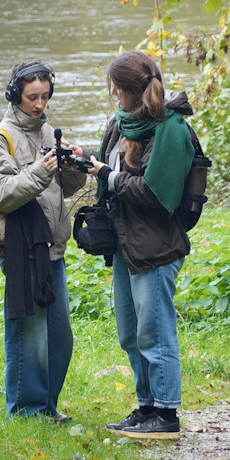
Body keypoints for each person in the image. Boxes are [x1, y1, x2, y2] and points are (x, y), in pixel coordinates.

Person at [86, 51, 195, 440]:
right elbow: (111, 171)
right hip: (125, 243)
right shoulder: (121, 124)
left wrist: (108, 176)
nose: (112, 92)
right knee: (130, 333)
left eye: (117, 86)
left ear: (133, 89)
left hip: (156, 245)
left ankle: (166, 415)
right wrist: (85, 162)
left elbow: (157, 193)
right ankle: (146, 406)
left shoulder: (170, 128)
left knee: (155, 331)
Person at [0, 61, 87, 420]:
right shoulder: (1, 138)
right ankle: (26, 413)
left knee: (59, 340)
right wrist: (42, 170)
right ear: (15, 95)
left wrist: (73, 166)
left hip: (53, 248)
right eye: (32, 97)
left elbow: (66, 188)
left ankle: (48, 407)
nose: (40, 105)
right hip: (22, 247)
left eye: (45, 96)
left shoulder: (47, 131)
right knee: (29, 337)